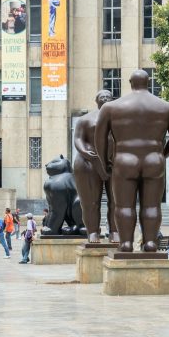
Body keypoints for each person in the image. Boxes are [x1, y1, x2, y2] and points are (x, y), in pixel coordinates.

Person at [95, 69, 169, 252]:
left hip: (124, 160)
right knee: (152, 205)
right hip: (153, 159)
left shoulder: (111, 108)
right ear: (148, 82)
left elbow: (100, 139)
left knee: (124, 205)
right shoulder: (168, 107)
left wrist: (105, 162)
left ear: (130, 82)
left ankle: (125, 243)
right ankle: (150, 243)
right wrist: (162, 154)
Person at [73, 90, 116, 243]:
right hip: (88, 163)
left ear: (113, 100)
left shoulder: (120, 119)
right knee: (91, 202)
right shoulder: (85, 119)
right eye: (101, 97)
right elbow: (78, 139)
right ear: (96, 100)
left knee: (117, 201)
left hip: (114, 163)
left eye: (108, 97)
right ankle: (93, 231)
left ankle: (114, 231)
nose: (105, 99)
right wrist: (86, 152)